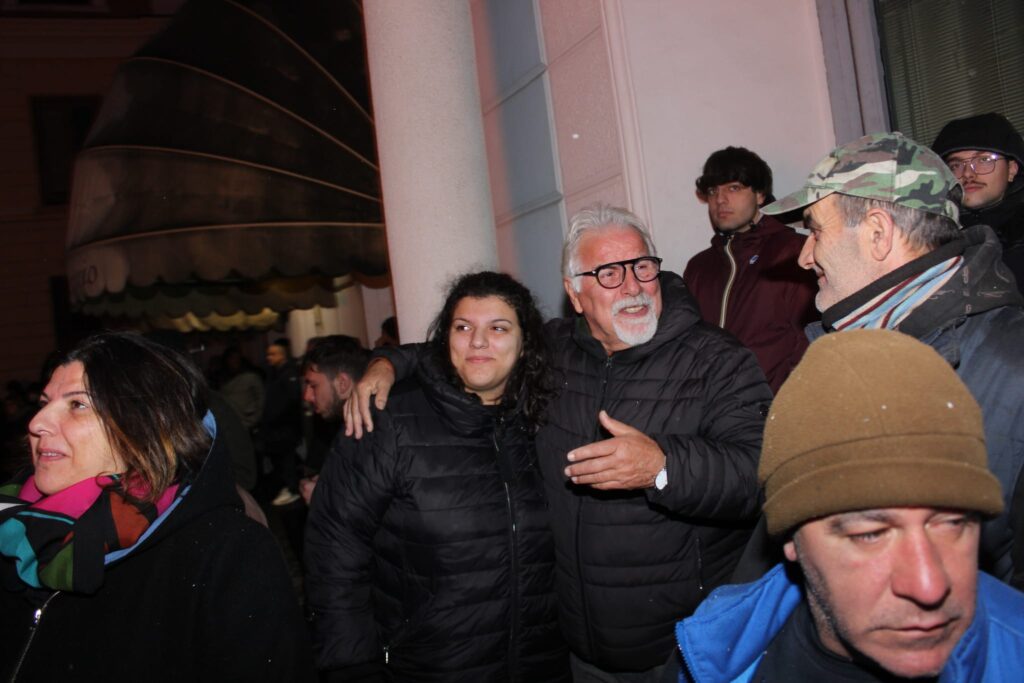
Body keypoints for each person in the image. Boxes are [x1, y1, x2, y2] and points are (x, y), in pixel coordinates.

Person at [348, 205, 772, 680]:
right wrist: (388, 363)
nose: (632, 286)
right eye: (609, 274)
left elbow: (759, 474)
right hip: (573, 651)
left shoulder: (718, 359)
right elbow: (473, 353)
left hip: (679, 650)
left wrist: (662, 466)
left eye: (642, 267)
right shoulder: (551, 350)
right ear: (574, 292)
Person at [675, 329, 1024, 682]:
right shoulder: (713, 647)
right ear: (792, 540)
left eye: (953, 524)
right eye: (871, 535)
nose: (928, 585)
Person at [759, 131, 1024, 588]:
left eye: (815, 231)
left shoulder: (1011, 365)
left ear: (878, 234)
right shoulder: (854, 349)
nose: (805, 257)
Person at [0, 332, 313, 681]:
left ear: (144, 426)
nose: (36, 422)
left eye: (77, 405)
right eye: (45, 402)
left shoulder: (226, 551)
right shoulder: (12, 527)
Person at [305, 272, 569, 682]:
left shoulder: (544, 420)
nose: (477, 342)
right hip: (429, 668)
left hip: (539, 665)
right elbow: (335, 546)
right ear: (446, 338)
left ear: (525, 343)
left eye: (498, 328)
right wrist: (352, 665)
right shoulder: (390, 419)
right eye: (463, 327)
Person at [683, 146, 818, 392]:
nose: (720, 200)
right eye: (713, 191)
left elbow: (809, 342)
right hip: (713, 420)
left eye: (733, 188)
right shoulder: (699, 268)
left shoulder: (794, 253)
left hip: (777, 415)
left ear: (759, 194)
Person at [932, 112, 1024, 290]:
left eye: (984, 160)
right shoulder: (934, 239)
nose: (967, 174)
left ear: (1012, 169)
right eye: (956, 165)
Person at [298, 334, 370, 503]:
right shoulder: (349, 425)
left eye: (313, 385)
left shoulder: (373, 429)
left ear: (342, 383)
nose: (307, 396)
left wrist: (323, 497)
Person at [260, 337, 303, 506]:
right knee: (281, 460)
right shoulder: (276, 374)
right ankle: (288, 487)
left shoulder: (288, 374)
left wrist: (277, 419)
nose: (269, 357)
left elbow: (292, 401)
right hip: (278, 428)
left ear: (282, 355)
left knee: (287, 460)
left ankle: (292, 489)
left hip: (285, 428)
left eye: (273, 354)